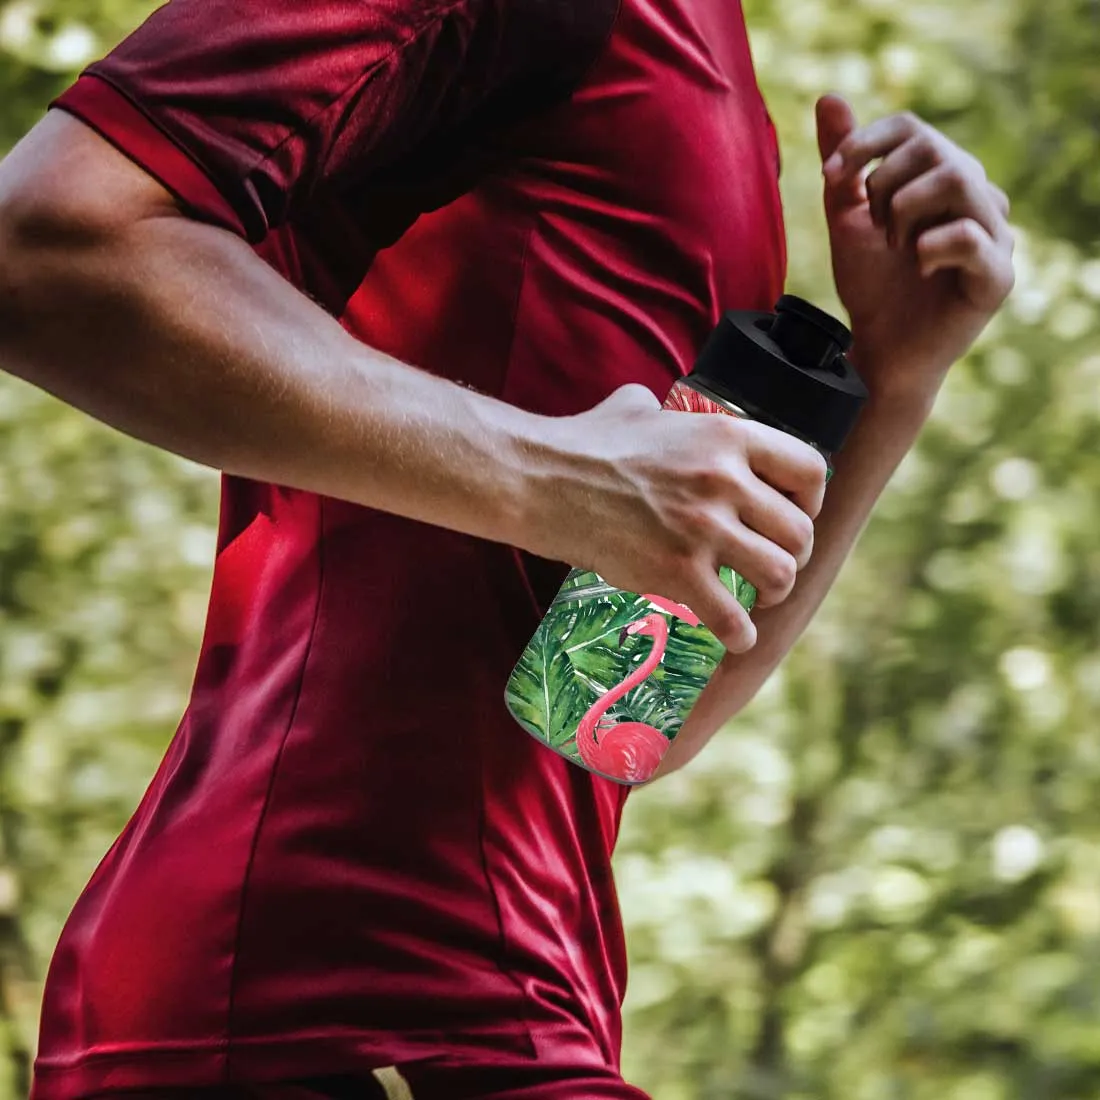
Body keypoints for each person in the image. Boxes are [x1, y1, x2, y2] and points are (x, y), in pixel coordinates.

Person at [0, 0, 1014, 1093]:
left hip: (516, 1002)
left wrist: (897, 370)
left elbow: (614, 720)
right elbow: (43, 242)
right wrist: (558, 476)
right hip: (324, 994)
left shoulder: (705, 63)